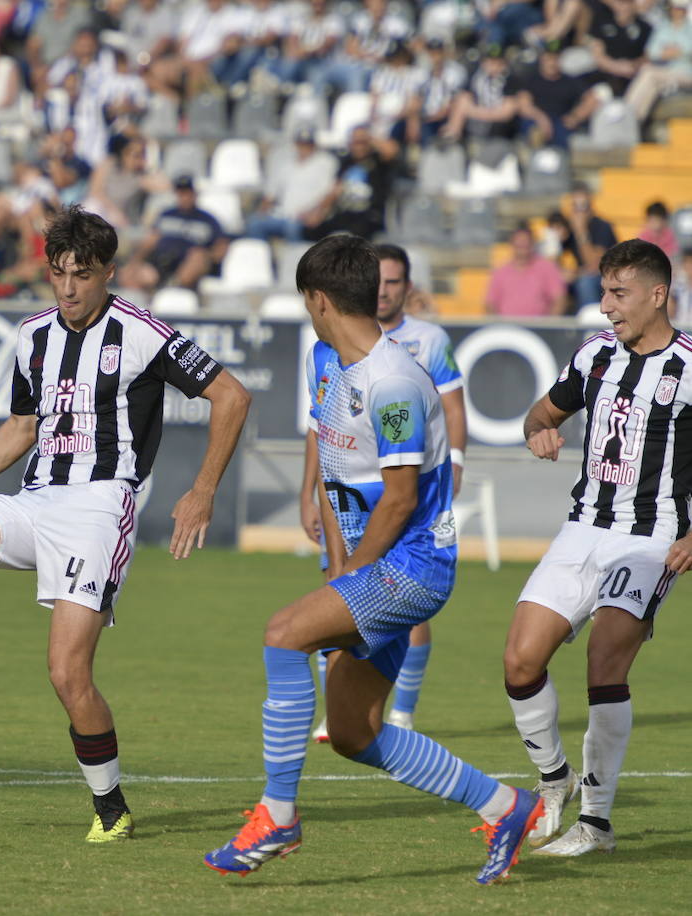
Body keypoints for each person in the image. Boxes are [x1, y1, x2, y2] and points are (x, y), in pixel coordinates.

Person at [0, 205, 252, 843]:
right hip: (36, 499)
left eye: (82, 275)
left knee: (67, 674)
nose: (68, 289)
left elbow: (231, 395)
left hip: (99, 508)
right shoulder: (33, 335)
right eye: (58, 274)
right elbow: (21, 427)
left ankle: (111, 809)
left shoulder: (144, 332)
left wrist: (201, 491)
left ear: (108, 273)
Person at [204, 234, 541, 885]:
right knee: (356, 733)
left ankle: (278, 815)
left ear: (319, 300)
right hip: (374, 565)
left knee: (282, 635)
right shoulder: (327, 363)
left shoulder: (392, 383)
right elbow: (335, 475)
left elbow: (399, 499)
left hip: (412, 566)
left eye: (306, 302)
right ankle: (506, 806)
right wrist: (338, 569)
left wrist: (353, 576)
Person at [504, 238, 692, 856]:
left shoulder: (689, 366)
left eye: (619, 293)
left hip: (652, 535)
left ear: (657, 294)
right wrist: (539, 433)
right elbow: (540, 415)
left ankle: (596, 825)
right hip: (583, 526)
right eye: (604, 291)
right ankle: (554, 779)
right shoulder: (594, 356)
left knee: (605, 662)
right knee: (520, 663)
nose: (606, 305)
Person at [302, 244, 467, 741]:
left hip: (408, 515)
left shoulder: (420, 348)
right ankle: (344, 717)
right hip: (353, 510)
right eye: (383, 280)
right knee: (322, 632)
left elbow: (452, 408)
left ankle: (403, 712)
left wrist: (453, 461)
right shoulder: (325, 355)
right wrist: (309, 493)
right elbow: (323, 436)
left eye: (395, 282)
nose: (387, 290)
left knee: (289, 636)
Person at [117, 174, 227, 295]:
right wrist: (135, 262)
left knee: (198, 256)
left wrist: (206, 256)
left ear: (194, 194)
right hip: (161, 262)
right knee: (130, 272)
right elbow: (151, 240)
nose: (184, 197)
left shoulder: (208, 220)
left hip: (188, 264)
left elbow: (220, 248)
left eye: (188, 193)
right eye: (181, 193)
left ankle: (175, 286)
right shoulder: (166, 215)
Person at [486, 224, 568, 317]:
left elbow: (559, 299)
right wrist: (497, 327)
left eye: (525, 241)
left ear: (532, 243)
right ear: (512, 243)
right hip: (507, 328)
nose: (522, 244)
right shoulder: (500, 272)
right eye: (519, 241)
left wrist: (550, 325)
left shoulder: (547, 268)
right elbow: (490, 305)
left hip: (538, 328)